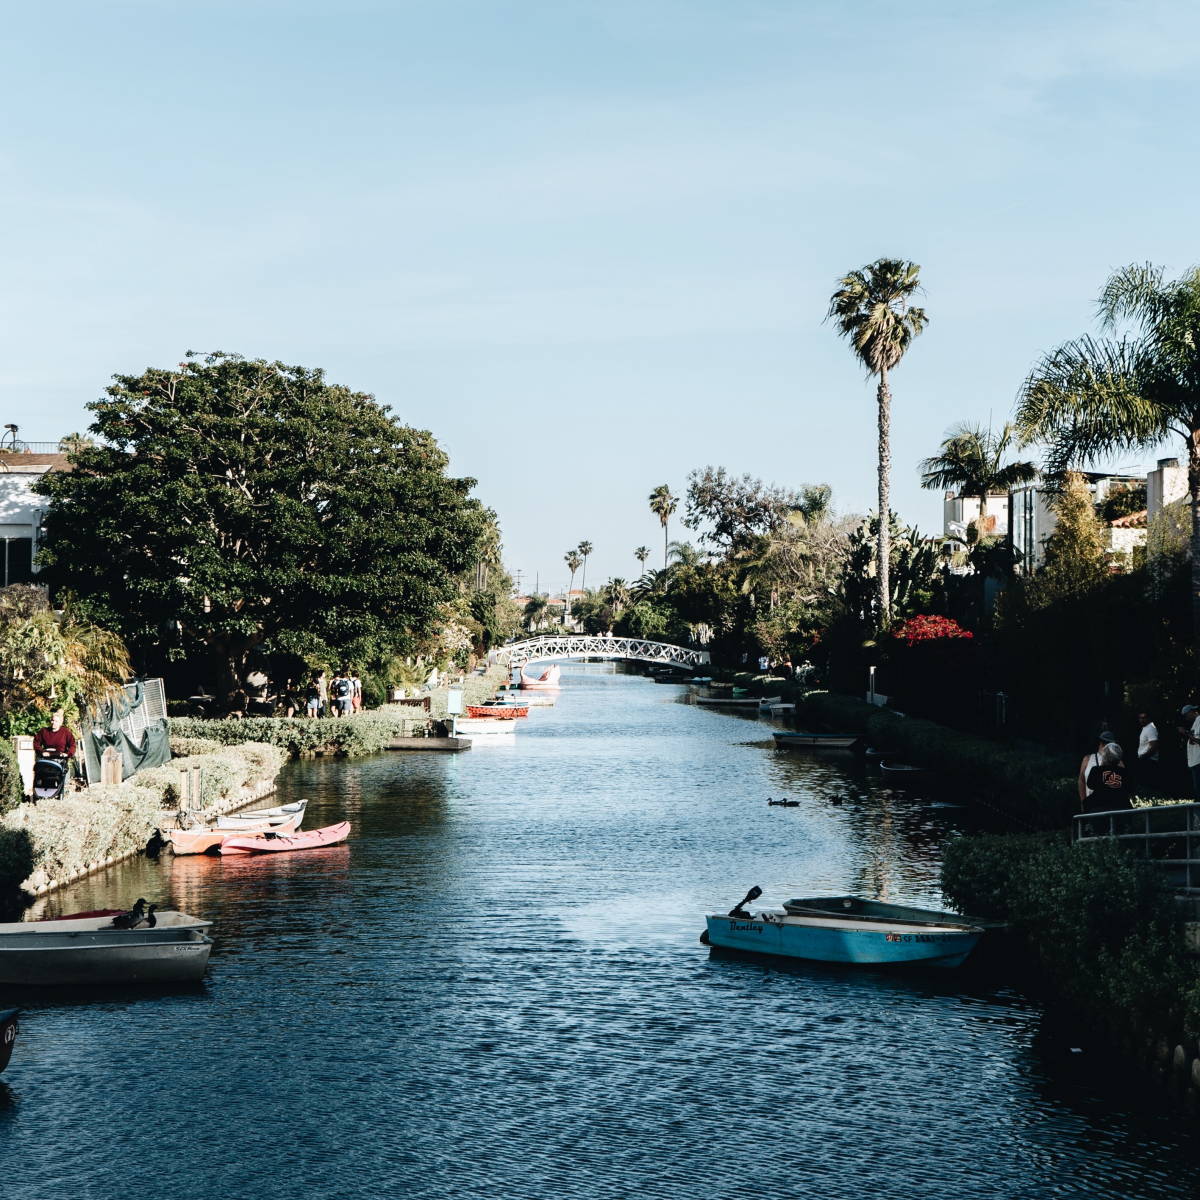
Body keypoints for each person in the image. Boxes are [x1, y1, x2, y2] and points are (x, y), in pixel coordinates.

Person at [1082, 742, 1132, 812]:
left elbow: (1090, 785)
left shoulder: (1096, 770)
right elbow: (1130, 788)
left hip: (1098, 806)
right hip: (1121, 806)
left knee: (1086, 803)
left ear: (1104, 756)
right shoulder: (1125, 772)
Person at [1079, 730, 1119, 809]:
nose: (1105, 746)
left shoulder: (1117, 760)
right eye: (1104, 743)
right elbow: (1081, 781)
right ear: (1100, 743)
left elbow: (1123, 782)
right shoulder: (1087, 759)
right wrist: (1083, 802)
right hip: (1092, 805)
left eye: (1109, 744)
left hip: (1111, 806)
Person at [1135, 711, 1160, 798]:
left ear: (1149, 718)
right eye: (1140, 718)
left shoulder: (1150, 728)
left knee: (1148, 785)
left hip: (1149, 760)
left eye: (1144, 717)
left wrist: (1143, 757)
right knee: (1144, 784)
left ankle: (1151, 803)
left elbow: (1154, 746)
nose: (1141, 720)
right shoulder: (1145, 728)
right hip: (1145, 760)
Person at [1181, 705, 1200, 800]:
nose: (1186, 718)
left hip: (1198, 761)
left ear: (1191, 712)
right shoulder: (1195, 723)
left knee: (1198, 790)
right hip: (1195, 762)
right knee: (1196, 790)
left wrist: (1186, 733)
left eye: (1185, 715)